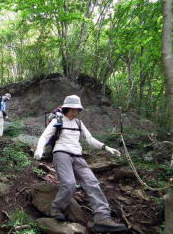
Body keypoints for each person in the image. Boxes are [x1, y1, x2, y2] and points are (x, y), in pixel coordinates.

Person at [34, 95, 127, 233]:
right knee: (69, 183)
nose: (75, 111)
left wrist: (106, 148)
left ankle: (102, 218)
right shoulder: (57, 120)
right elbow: (45, 136)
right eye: (72, 109)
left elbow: (89, 139)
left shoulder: (79, 123)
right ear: (66, 108)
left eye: (77, 109)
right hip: (61, 154)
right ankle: (57, 208)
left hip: (78, 156)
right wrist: (39, 149)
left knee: (92, 182)